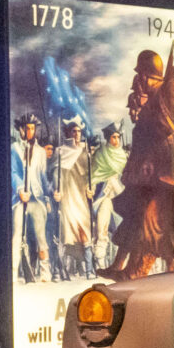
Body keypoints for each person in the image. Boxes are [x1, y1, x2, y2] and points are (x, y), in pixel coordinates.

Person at [109, 51, 174, 278]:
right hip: (163, 175)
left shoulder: (172, 90)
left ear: (146, 75)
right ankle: (133, 271)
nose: (140, 81)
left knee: (166, 220)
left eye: (141, 75)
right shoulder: (152, 103)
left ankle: (135, 272)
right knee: (149, 217)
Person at [53, 120, 96, 280]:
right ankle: (59, 270)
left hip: (81, 198)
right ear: (69, 133)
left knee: (84, 232)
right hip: (67, 198)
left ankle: (89, 270)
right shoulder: (60, 152)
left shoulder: (86, 152)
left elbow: (91, 175)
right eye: (74, 131)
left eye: (79, 131)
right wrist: (56, 190)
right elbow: (55, 174)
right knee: (65, 234)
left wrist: (91, 189)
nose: (77, 134)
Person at [11, 115, 52, 283]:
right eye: (27, 128)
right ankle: (13, 272)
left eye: (32, 128)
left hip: (37, 197)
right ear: (21, 129)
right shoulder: (14, 148)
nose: (30, 131)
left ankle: (45, 272)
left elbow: (43, 176)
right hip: (20, 198)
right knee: (17, 235)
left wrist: (47, 198)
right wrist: (20, 189)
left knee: (41, 236)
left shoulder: (41, 152)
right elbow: (13, 172)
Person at [89, 120, 124, 271]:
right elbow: (92, 176)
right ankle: (99, 258)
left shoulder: (122, 156)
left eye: (118, 137)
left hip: (119, 197)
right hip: (101, 197)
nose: (116, 140)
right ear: (108, 138)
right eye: (113, 137)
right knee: (101, 226)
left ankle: (119, 262)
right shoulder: (100, 154)